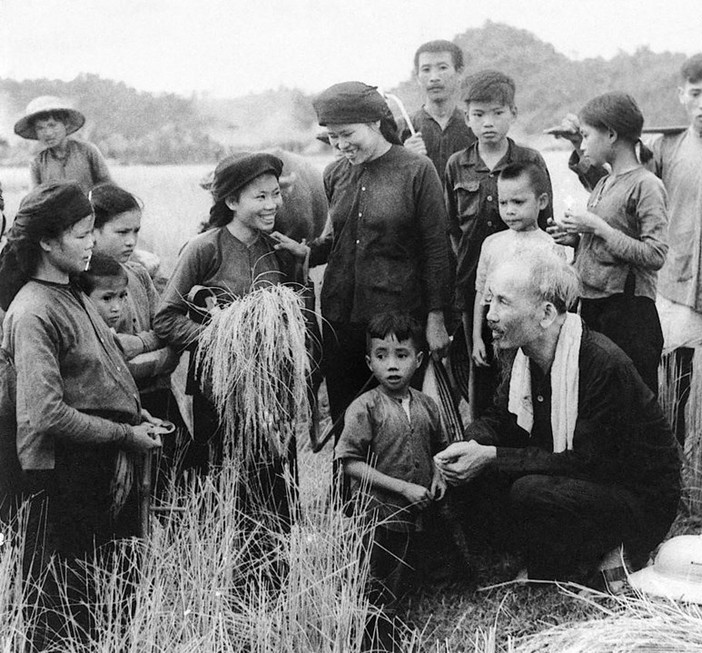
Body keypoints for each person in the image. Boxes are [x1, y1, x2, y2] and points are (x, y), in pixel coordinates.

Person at [562, 53, 702, 444]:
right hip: (674, 288)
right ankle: (672, 469)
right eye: (695, 93)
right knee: (672, 391)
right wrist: (579, 148)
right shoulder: (665, 148)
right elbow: (622, 190)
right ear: (681, 95)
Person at [434, 249, 681, 587]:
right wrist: (467, 446)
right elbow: (498, 419)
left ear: (546, 314)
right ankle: (517, 560)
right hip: (582, 478)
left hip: (637, 498)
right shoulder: (525, 356)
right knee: (477, 472)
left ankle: (598, 558)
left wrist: (491, 456)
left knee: (528, 490)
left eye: (503, 303)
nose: (490, 315)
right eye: (490, 302)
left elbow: (585, 461)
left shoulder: (602, 364)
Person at [0, 182, 162, 649]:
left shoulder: (72, 292)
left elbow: (98, 373)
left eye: (92, 232)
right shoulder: (34, 310)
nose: (92, 243)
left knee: (98, 594)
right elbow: (47, 413)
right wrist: (123, 434)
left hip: (92, 463)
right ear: (47, 243)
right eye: (81, 234)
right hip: (60, 473)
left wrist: (135, 413)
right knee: (61, 607)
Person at [273, 81, 452, 426]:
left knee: (396, 422)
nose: (340, 145)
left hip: (396, 322)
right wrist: (306, 251)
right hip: (340, 318)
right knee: (346, 418)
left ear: (374, 123)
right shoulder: (335, 173)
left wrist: (436, 318)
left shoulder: (417, 171)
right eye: (332, 137)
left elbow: (437, 251)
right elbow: (340, 242)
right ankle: (347, 482)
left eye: (346, 134)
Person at [153, 152, 300, 532]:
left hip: (270, 387)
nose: (272, 205)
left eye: (275, 195)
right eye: (260, 197)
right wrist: (220, 339)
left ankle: (276, 565)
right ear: (231, 202)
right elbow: (166, 317)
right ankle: (223, 566)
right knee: (224, 476)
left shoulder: (277, 249)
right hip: (218, 387)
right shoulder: (204, 247)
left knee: (274, 478)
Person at [335, 312, 447, 651]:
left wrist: (439, 475)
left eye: (402, 355)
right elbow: (350, 464)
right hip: (380, 516)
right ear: (369, 362)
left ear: (419, 359)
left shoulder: (428, 405)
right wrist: (403, 488)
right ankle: (378, 634)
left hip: (419, 512)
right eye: (382, 356)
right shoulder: (364, 408)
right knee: (379, 582)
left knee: (419, 569)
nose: (392, 365)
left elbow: (440, 450)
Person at [445, 70, 554, 416]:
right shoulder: (456, 164)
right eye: (478, 115)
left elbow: (545, 221)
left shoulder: (530, 161)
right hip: (475, 289)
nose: (487, 123)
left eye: (497, 113)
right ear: (467, 118)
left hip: (526, 289)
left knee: (529, 369)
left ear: (513, 114)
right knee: (481, 371)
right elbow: (450, 228)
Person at [553, 92, 668, 394]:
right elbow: (606, 239)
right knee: (599, 403)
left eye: (588, 135)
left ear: (612, 134)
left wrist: (598, 227)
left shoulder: (647, 185)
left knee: (634, 406)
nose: (585, 143)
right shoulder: (605, 182)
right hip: (594, 307)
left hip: (629, 314)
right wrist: (577, 239)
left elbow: (655, 254)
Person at [472, 161, 564, 410]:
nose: (509, 210)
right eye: (504, 203)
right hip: (497, 334)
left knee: (530, 394)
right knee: (495, 393)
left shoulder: (550, 246)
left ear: (542, 201)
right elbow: (482, 293)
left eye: (518, 202)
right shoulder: (493, 244)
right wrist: (477, 339)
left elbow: (555, 304)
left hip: (533, 336)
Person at [89, 183, 181, 426]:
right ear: (93, 231)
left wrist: (138, 343)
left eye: (136, 231)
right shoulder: (81, 284)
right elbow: (110, 366)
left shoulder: (139, 274)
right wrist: (160, 356)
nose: (131, 241)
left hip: (160, 396)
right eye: (122, 233)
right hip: (112, 406)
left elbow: (168, 332)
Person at [400, 39, 476, 176]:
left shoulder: (475, 126)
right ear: (418, 77)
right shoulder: (400, 128)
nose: (434, 78)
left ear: (459, 72)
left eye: (442, 68)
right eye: (426, 70)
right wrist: (403, 159)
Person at [14, 96, 113, 194]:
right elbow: (34, 198)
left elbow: (108, 184)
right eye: (40, 128)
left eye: (52, 125)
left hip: (90, 208)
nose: (48, 133)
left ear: (65, 124)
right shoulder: (37, 163)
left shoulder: (88, 151)